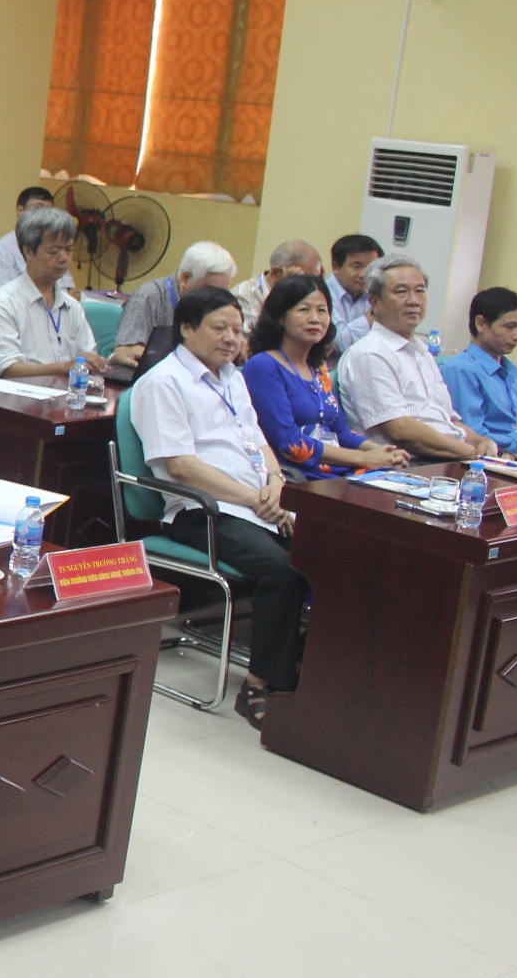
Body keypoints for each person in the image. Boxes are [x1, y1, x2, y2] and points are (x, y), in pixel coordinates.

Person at [131, 286, 305, 726]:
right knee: (283, 571)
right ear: (187, 329)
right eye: (220, 328)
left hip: (258, 504)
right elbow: (181, 466)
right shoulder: (163, 383)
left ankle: (308, 672)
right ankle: (259, 684)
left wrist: (276, 484)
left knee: (328, 556)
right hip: (202, 512)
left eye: (237, 330)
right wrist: (254, 500)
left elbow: (258, 442)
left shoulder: (233, 377)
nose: (231, 338)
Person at [242, 274, 407, 477]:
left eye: (322, 310)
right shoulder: (262, 366)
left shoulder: (318, 368)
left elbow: (340, 431)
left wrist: (379, 451)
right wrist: (364, 458)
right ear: (280, 317)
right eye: (304, 310)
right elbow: (289, 443)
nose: (315, 319)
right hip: (298, 476)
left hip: (337, 470)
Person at [336, 255, 495, 459]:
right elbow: (400, 430)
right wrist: (471, 454)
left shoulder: (422, 352)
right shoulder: (370, 354)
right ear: (374, 302)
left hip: (449, 457)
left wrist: (481, 442)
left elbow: (448, 422)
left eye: (420, 291)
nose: (414, 301)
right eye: (401, 292)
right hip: (406, 466)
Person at [0, 206, 104, 379]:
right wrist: (65, 367)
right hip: (8, 395)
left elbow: (88, 356)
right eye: (54, 251)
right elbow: (7, 369)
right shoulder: (2, 305)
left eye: (69, 249)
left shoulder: (72, 306)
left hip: (61, 393)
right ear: (28, 251)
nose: (64, 258)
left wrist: (96, 362)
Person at [442, 287, 517, 452]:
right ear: (481, 324)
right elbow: (471, 435)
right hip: (488, 458)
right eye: (510, 326)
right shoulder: (459, 371)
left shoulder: (515, 373)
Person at [109, 241, 238, 369]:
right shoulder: (150, 295)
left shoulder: (220, 308)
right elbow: (126, 351)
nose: (216, 299)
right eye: (209, 290)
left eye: (223, 292)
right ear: (185, 278)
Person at [0, 186, 74, 295]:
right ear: (20, 211)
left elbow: (70, 288)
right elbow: (5, 296)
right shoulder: (2, 250)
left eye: (49, 211)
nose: (44, 217)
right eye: (37, 209)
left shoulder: (57, 248)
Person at [233, 239, 323, 333]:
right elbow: (257, 338)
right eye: (306, 280)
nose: (312, 287)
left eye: (317, 279)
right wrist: (287, 295)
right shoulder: (245, 294)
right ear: (276, 274)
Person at [325, 234, 384, 355]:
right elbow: (340, 342)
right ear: (335, 266)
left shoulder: (373, 295)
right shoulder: (321, 292)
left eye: (371, 268)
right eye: (357, 266)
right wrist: (368, 320)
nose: (364, 274)